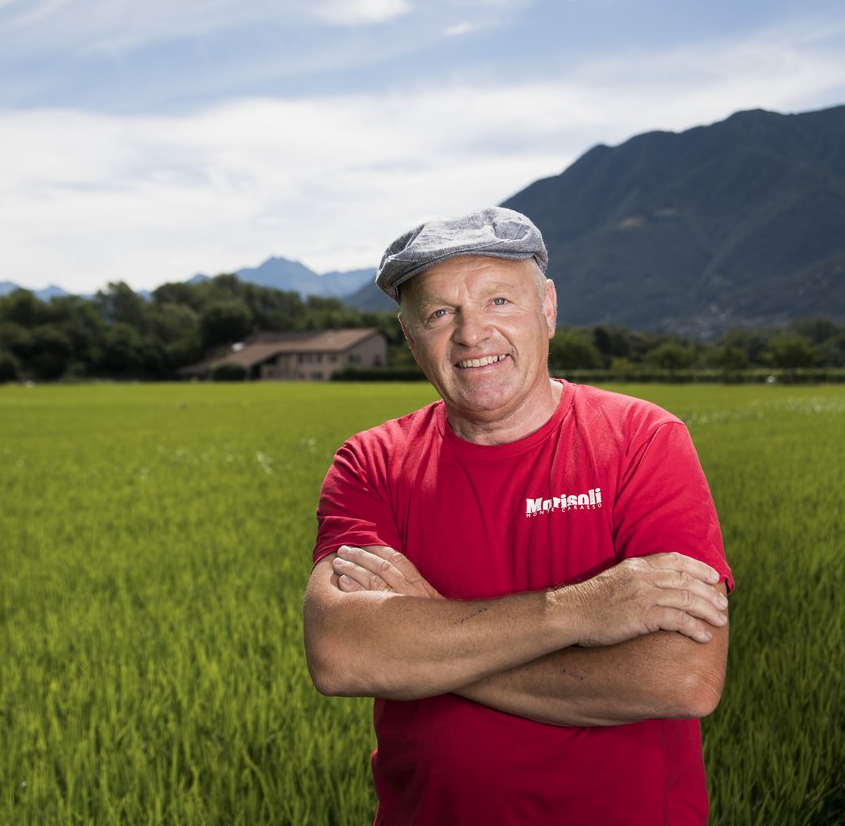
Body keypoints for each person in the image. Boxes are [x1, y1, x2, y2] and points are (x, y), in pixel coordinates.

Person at [303, 207, 733, 825]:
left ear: (548, 308)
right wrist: (584, 609)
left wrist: (428, 639)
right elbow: (341, 653)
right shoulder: (371, 464)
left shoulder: (643, 441)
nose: (472, 334)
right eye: (440, 313)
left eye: (499, 300)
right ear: (409, 335)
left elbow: (681, 677)